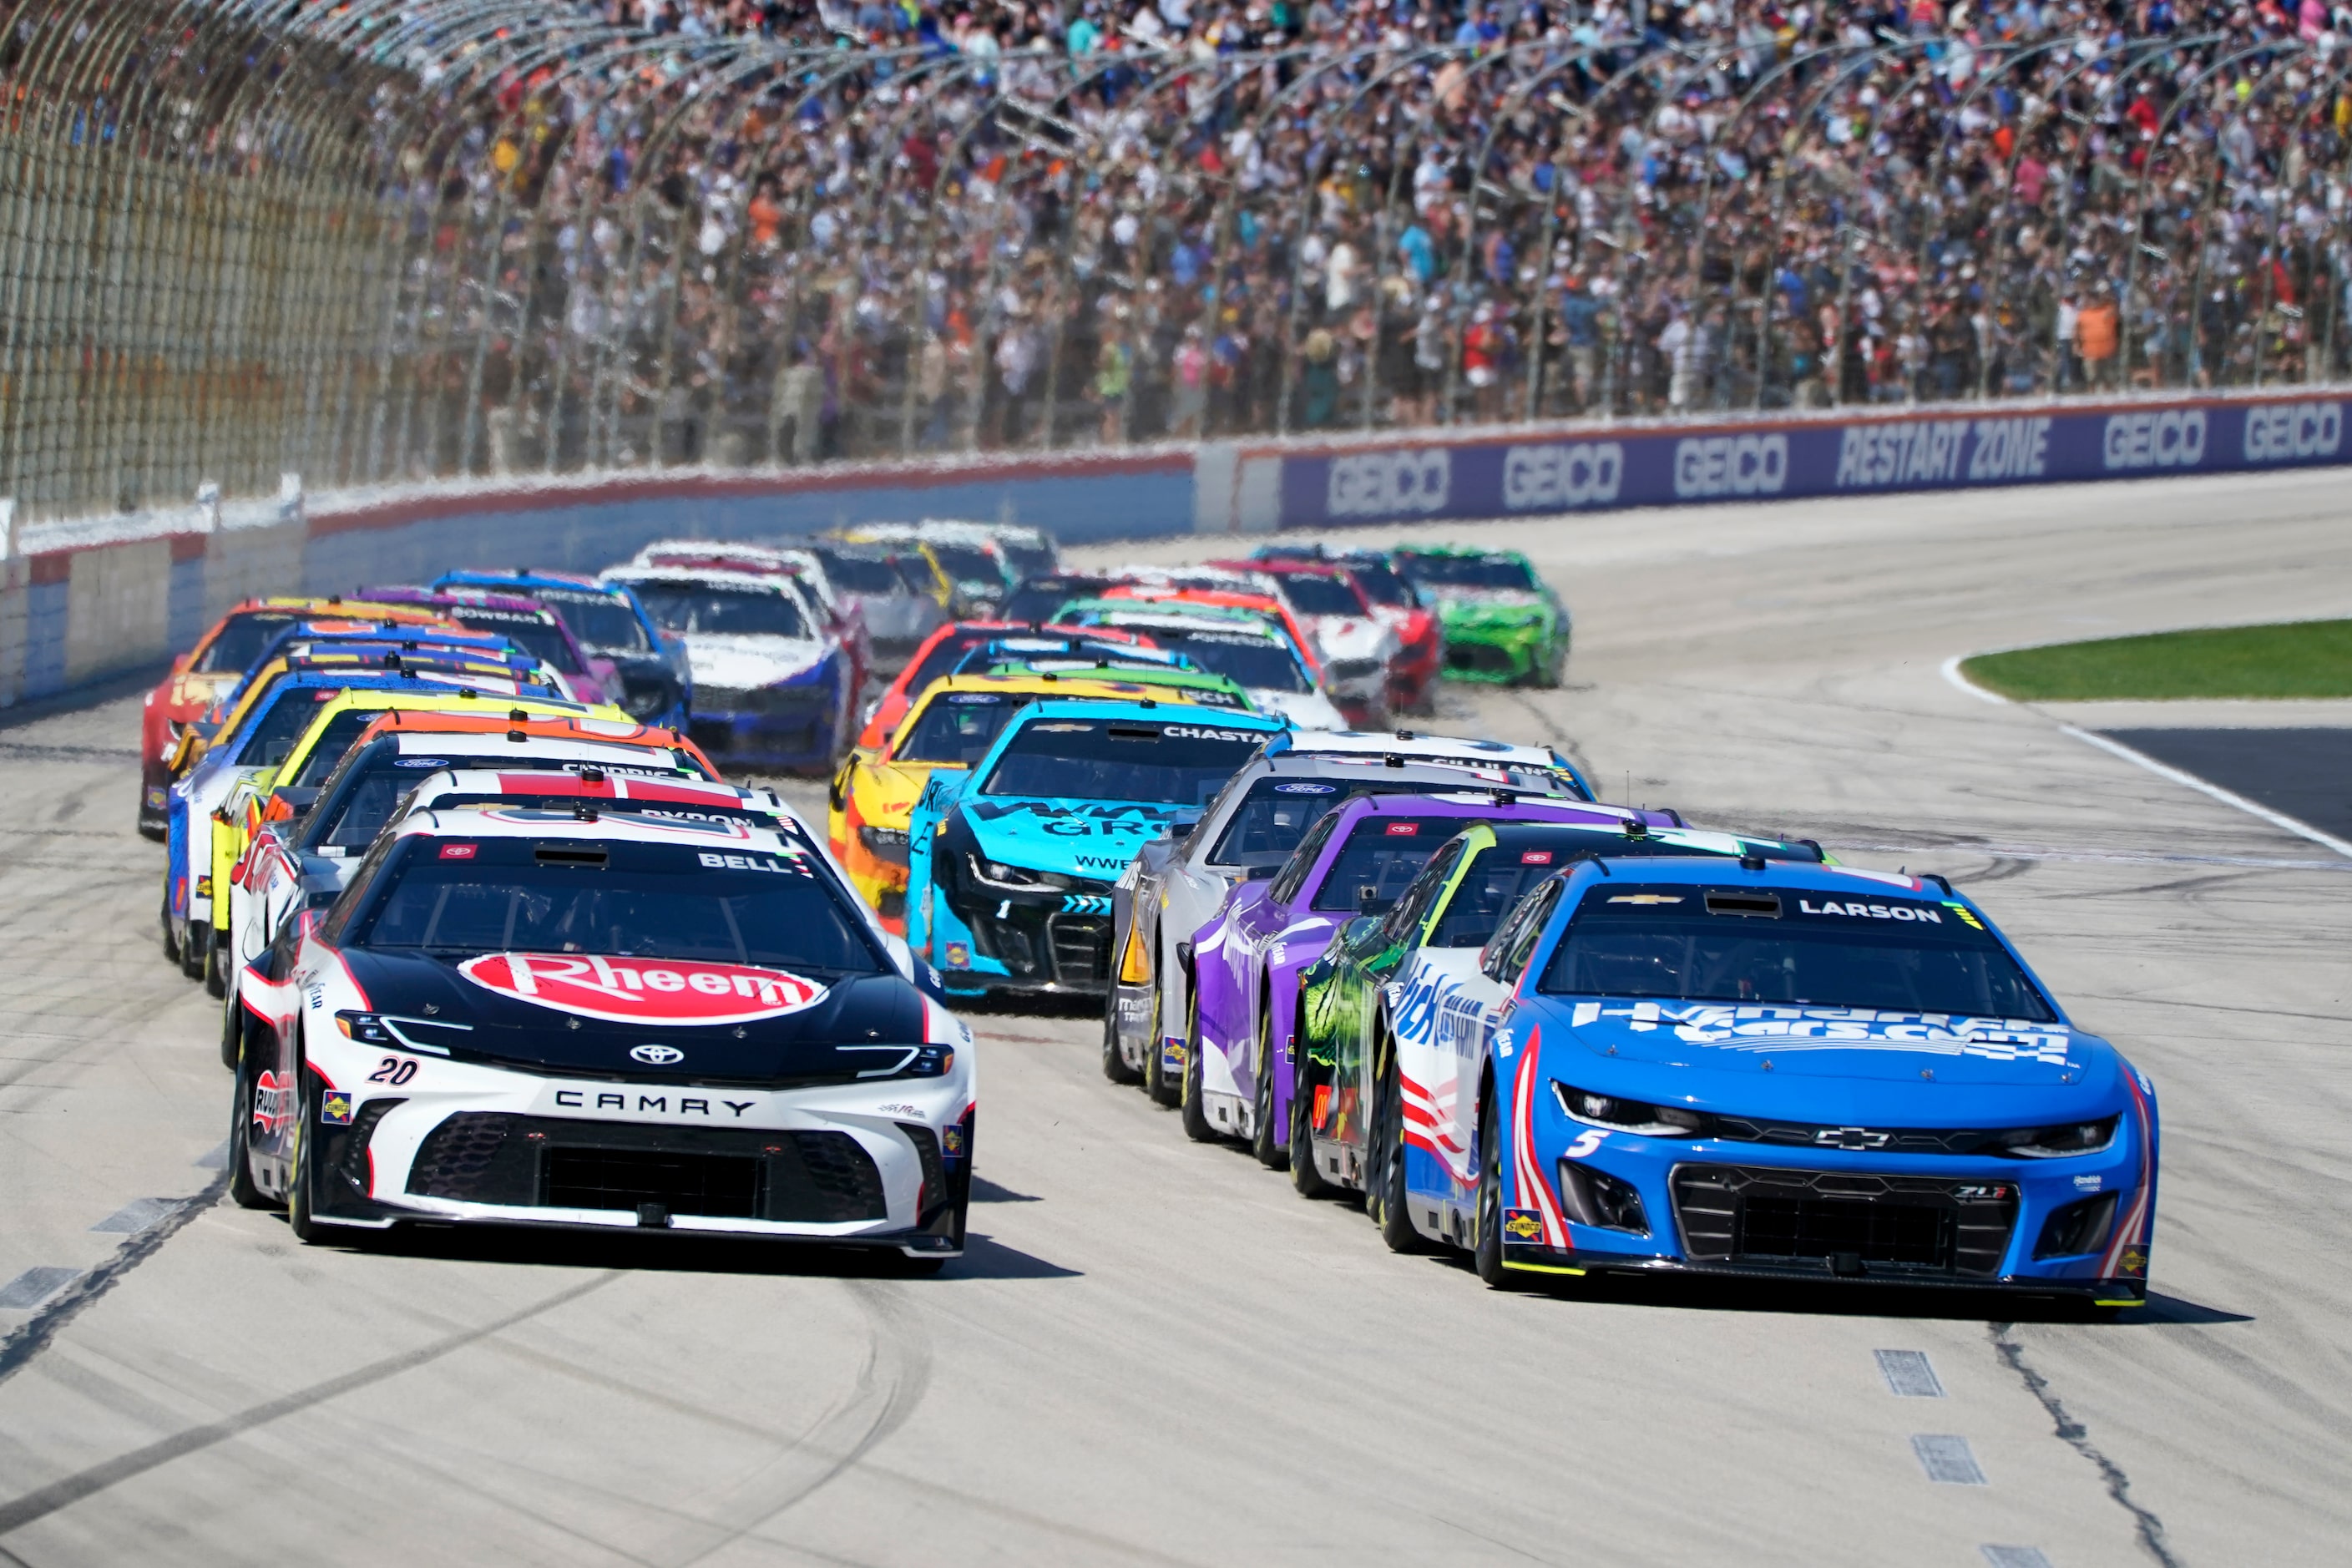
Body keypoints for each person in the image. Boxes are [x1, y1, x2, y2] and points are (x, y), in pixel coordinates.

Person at [2076, 286, 2121, 391]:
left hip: (2107, 350)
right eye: (2091, 298)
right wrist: (2076, 345)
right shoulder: (2083, 314)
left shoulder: (2107, 311)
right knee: (2091, 377)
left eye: (2095, 298)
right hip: (2090, 351)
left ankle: (2108, 398)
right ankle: (2091, 396)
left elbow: (2117, 311)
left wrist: (2106, 298)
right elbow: (2077, 331)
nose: (2093, 301)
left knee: (2108, 377)